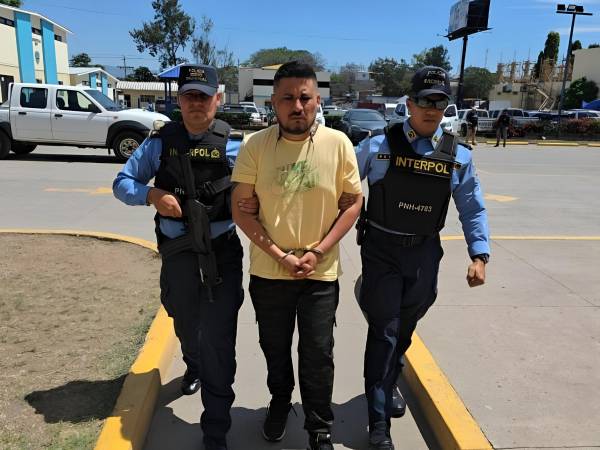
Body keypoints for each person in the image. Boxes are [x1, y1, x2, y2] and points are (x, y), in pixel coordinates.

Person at [113, 64, 257, 450]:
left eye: (203, 96)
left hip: (221, 253)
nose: (196, 103)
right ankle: (193, 363)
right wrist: (152, 195)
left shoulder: (236, 145)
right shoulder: (159, 143)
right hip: (177, 252)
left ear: (218, 99)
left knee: (219, 338)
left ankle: (216, 429)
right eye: (189, 96)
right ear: (178, 100)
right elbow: (122, 182)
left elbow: (261, 191)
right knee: (184, 319)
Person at [353, 66, 490, 450]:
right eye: (425, 101)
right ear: (409, 104)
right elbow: (340, 184)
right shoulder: (377, 146)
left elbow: (472, 207)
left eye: (439, 102)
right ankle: (378, 422)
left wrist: (479, 254)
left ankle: (388, 380)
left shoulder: (457, 156)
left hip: (424, 253)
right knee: (384, 331)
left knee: (405, 328)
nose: (431, 109)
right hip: (381, 250)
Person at [230, 61, 363, 450]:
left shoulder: (338, 144)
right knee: (274, 348)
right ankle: (280, 402)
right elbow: (240, 209)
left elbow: (353, 203)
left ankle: (319, 426)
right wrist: (281, 255)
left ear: (317, 100)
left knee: (318, 353)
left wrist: (318, 251)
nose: (297, 106)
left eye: (305, 97)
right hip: (269, 273)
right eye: (287, 98)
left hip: (320, 274)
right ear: (273, 102)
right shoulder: (255, 146)